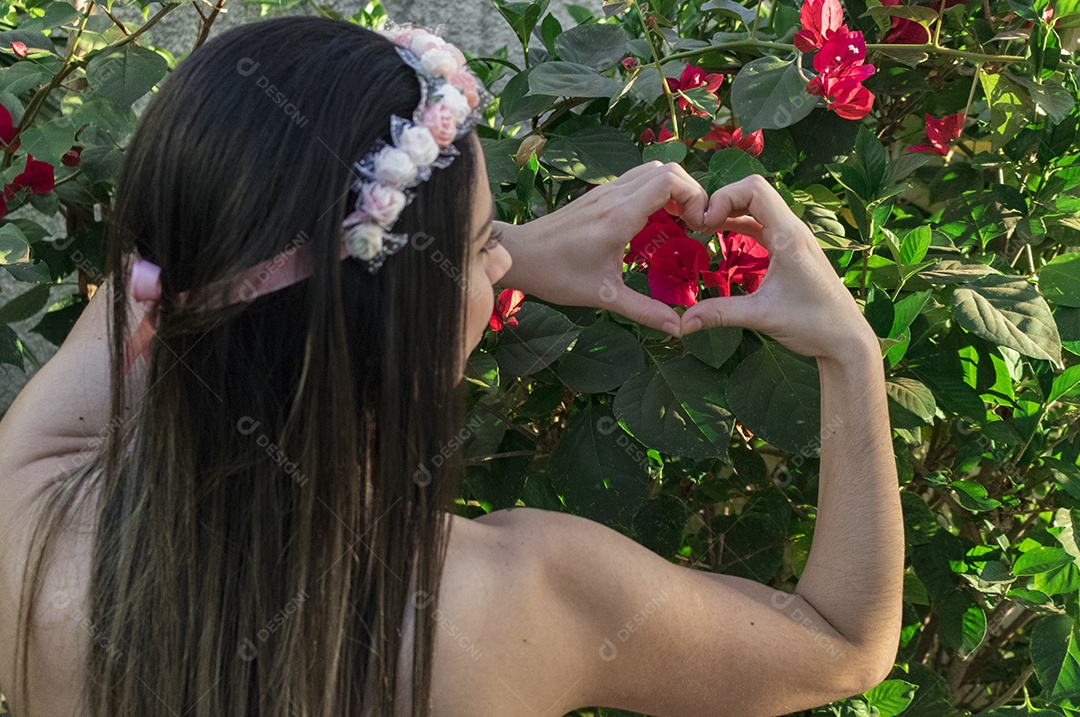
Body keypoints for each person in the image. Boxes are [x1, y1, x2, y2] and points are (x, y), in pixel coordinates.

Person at [0, 14, 904, 717]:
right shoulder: (530, 597)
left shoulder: (28, 524)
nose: (503, 263)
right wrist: (849, 351)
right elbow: (838, 642)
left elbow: (161, 283)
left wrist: (447, 253)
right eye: (481, 251)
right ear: (411, 324)